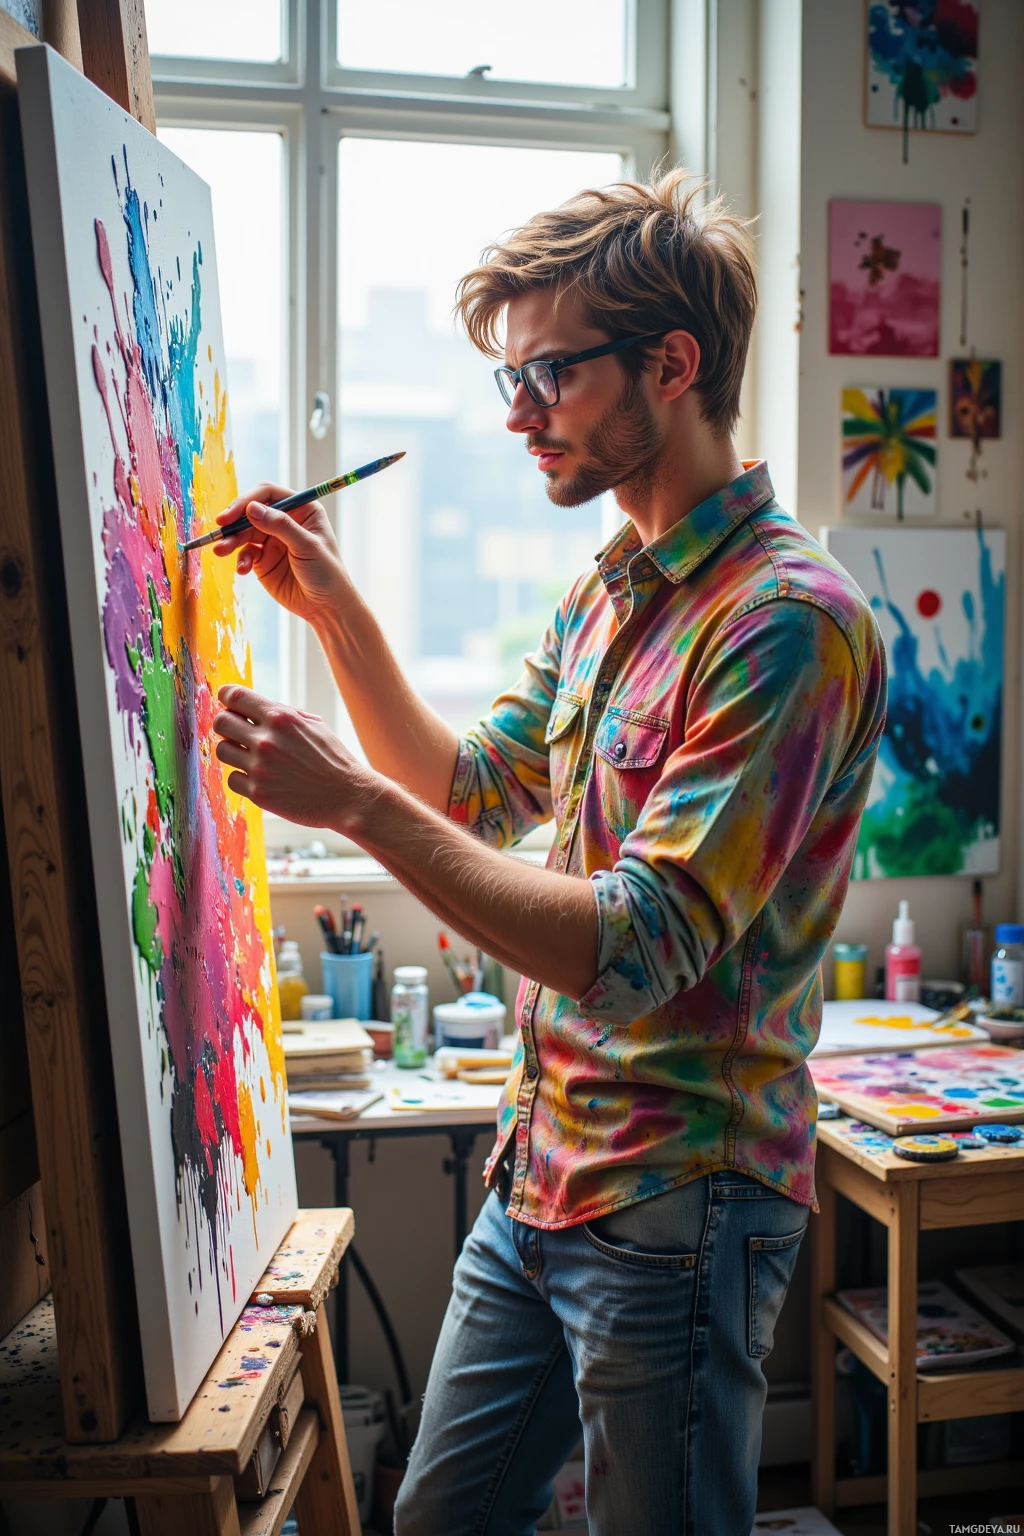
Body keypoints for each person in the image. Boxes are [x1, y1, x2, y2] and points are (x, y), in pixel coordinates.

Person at [212, 169, 886, 1535]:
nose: (517, 414)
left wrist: (348, 807)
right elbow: (470, 785)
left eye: (549, 376)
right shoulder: (608, 592)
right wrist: (329, 599)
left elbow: (628, 948)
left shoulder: (787, 624)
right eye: (508, 381)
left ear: (673, 364)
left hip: (681, 1200)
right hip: (541, 1176)